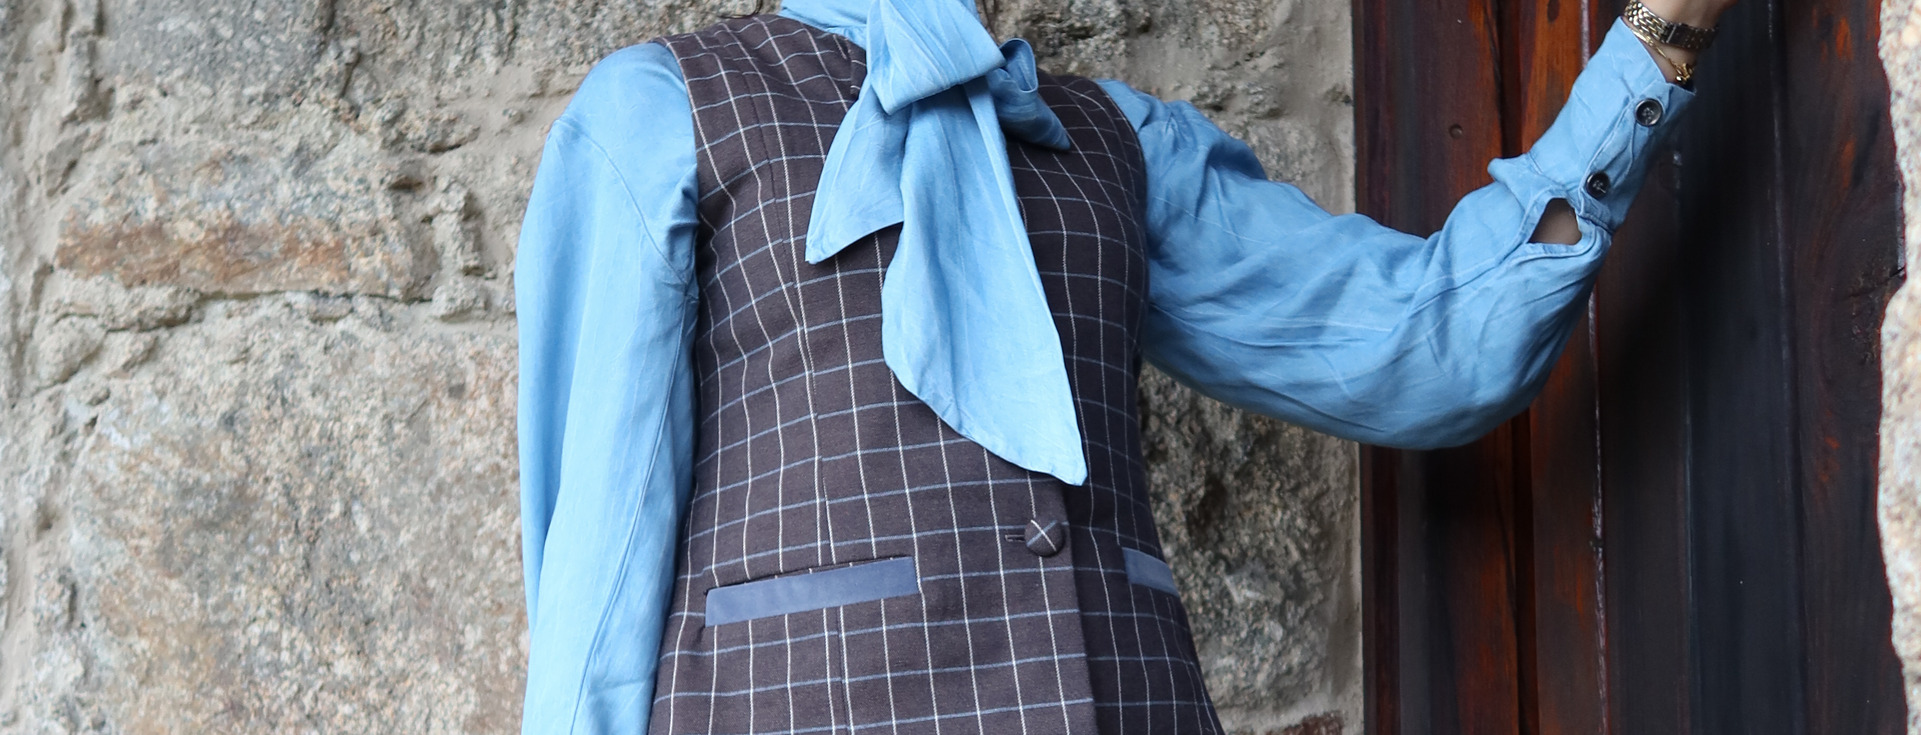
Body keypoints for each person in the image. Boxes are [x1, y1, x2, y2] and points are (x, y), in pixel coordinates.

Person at [513, 0, 1733, 732]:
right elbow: (600, 570)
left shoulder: (1118, 140)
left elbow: (1432, 348)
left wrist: (1659, 37)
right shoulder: (657, 112)